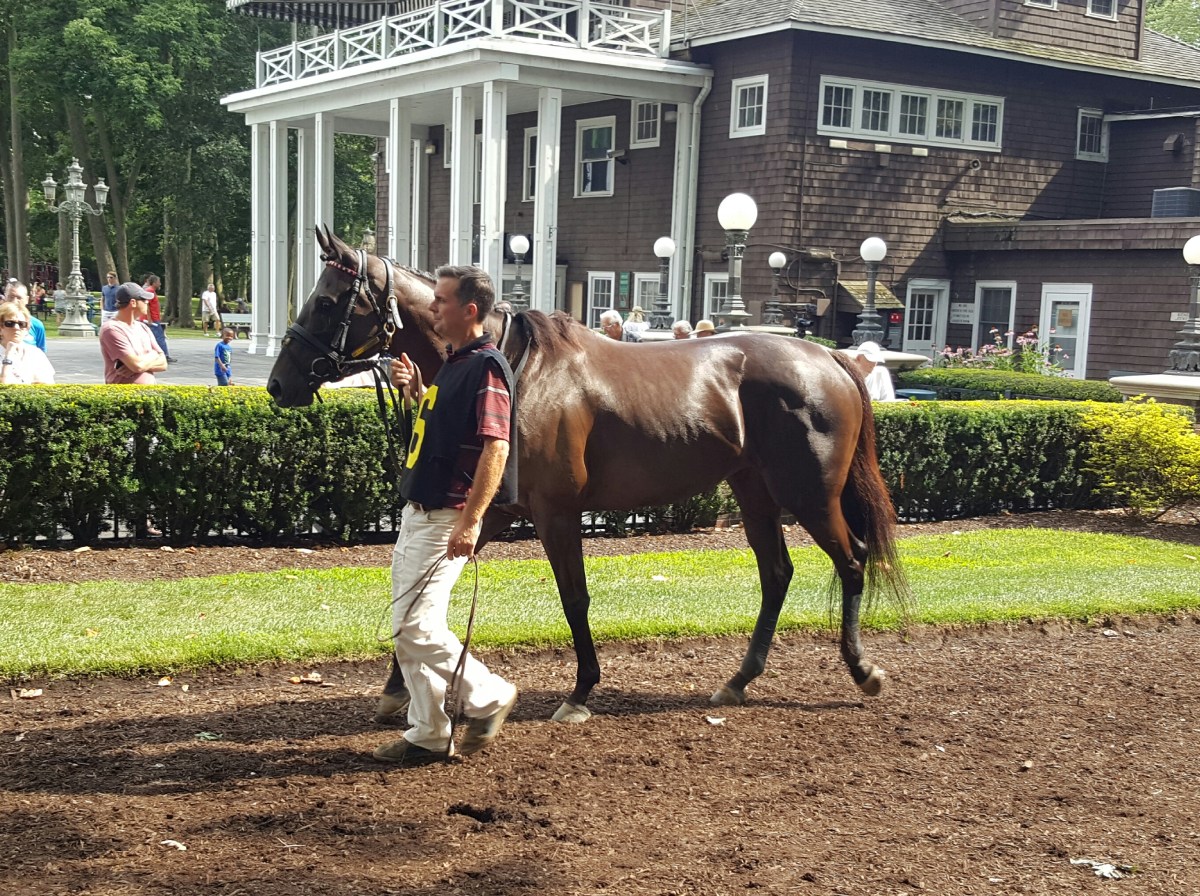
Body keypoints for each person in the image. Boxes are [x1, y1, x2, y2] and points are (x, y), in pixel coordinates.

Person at [373, 264, 519, 766]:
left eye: (442, 300)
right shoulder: (456, 363)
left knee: (415, 628)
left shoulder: (487, 367)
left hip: (445, 516)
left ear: (469, 310)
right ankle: (429, 733)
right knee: (407, 627)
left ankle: (490, 696)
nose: (432, 306)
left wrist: (472, 520)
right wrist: (416, 392)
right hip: (421, 511)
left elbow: (496, 447)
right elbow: (442, 433)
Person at [99, 282, 168, 384]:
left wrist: (139, 366)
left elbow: (163, 363)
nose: (147, 302)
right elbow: (137, 366)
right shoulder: (112, 329)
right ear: (133, 302)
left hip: (150, 392)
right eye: (144, 300)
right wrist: (153, 355)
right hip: (124, 392)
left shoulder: (143, 327)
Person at [0, 301, 55, 384]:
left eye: (21, 324)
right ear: (0, 328)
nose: (16, 327)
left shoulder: (35, 353)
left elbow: (48, 385)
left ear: (27, 329)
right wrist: (8, 356)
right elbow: (3, 386)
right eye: (10, 323)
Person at [141, 274, 174, 362]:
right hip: (152, 320)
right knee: (159, 337)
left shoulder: (151, 291)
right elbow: (146, 305)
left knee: (150, 338)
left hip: (152, 318)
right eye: (159, 282)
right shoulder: (150, 291)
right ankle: (164, 355)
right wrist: (149, 319)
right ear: (154, 283)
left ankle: (152, 355)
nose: (160, 284)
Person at [4, 281, 46, 351]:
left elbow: (41, 353)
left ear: (26, 299)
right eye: (11, 297)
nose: (14, 301)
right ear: (5, 298)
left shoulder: (37, 325)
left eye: (19, 298)